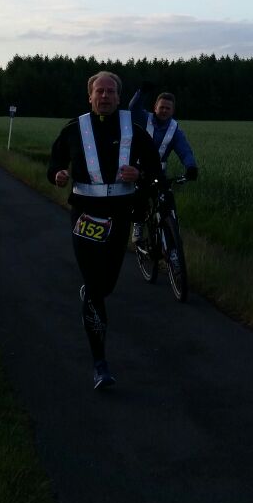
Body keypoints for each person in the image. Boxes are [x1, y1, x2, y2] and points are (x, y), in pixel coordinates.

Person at [48, 71, 163, 391]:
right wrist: (57, 175)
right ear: (90, 96)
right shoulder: (73, 129)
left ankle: (92, 293)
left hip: (120, 215)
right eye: (99, 91)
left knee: (106, 283)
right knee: (96, 290)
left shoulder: (134, 130)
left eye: (110, 91)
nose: (105, 96)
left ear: (118, 96)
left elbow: (154, 169)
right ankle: (100, 364)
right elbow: (54, 162)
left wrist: (139, 174)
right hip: (85, 216)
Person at [128, 82, 198, 242]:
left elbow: (185, 151)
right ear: (155, 108)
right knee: (141, 196)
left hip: (159, 173)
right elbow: (133, 108)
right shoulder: (144, 118)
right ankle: (138, 224)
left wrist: (191, 167)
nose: (164, 110)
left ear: (173, 110)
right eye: (162, 107)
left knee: (167, 199)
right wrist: (141, 92)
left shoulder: (175, 130)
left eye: (168, 108)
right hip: (139, 170)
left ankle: (170, 228)